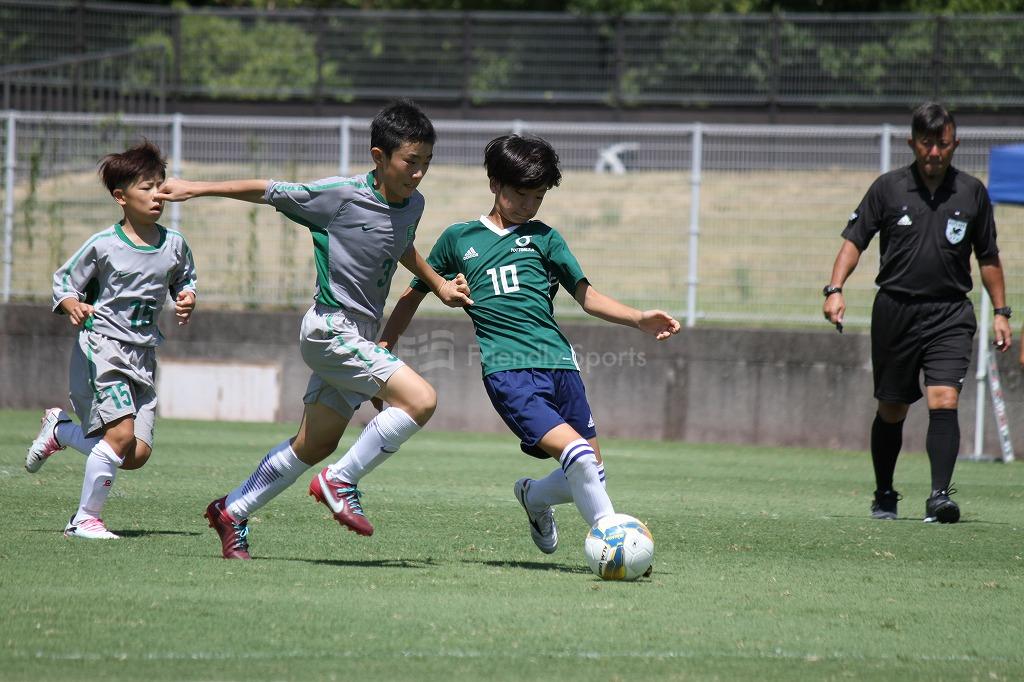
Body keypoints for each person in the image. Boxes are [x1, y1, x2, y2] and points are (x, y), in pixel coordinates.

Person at [156, 99, 471, 559]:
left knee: (314, 443)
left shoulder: (412, 203)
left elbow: (399, 243)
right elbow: (267, 189)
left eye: (426, 163)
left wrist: (439, 284)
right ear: (378, 156)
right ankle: (341, 481)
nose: (419, 173)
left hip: (359, 336)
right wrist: (195, 188)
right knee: (421, 399)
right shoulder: (338, 195)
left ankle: (232, 511)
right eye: (410, 162)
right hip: (331, 327)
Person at [376, 134, 680, 555]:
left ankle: (534, 498)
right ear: (494, 184)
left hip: (561, 366)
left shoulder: (546, 239)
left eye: (537, 198)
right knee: (576, 455)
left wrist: (638, 319)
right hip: (508, 371)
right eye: (521, 195)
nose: (528, 206)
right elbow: (414, 293)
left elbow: (587, 297)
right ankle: (614, 542)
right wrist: (386, 344)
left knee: (592, 468)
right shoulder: (458, 239)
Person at [823, 102, 1011, 524]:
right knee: (892, 409)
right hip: (896, 311)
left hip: (949, 313)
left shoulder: (972, 192)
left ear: (955, 144)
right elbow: (855, 241)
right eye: (926, 143)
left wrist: (1002, 311)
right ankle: (885, 493)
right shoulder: (888, 189)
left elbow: (989, 257)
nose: (933, 153)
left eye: (942, 144)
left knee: (944, 399)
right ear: (912, 143)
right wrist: (835, 289)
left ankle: (939, 497)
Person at [25, 140, 198, 540]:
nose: (157, 196)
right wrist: (72, 305)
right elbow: (64, 281)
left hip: (143, 354)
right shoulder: (103, 244)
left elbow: (184, 280)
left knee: (135, 455)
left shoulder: (174, 244)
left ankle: (61, 432)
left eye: (160, 186)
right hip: (103, 347)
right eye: (146, 188)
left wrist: (187, 298)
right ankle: (84, 519)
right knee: (119, 438)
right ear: (121, 197)